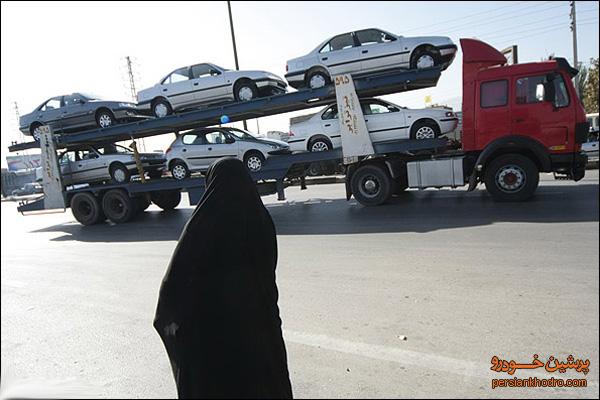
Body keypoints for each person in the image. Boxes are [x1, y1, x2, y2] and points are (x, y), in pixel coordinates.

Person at [153, 158, 293, 399]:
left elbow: (173, 285)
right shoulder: (260, 219)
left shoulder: (203, 224)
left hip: (214, 338)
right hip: (261, 332)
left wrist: (172, 322)